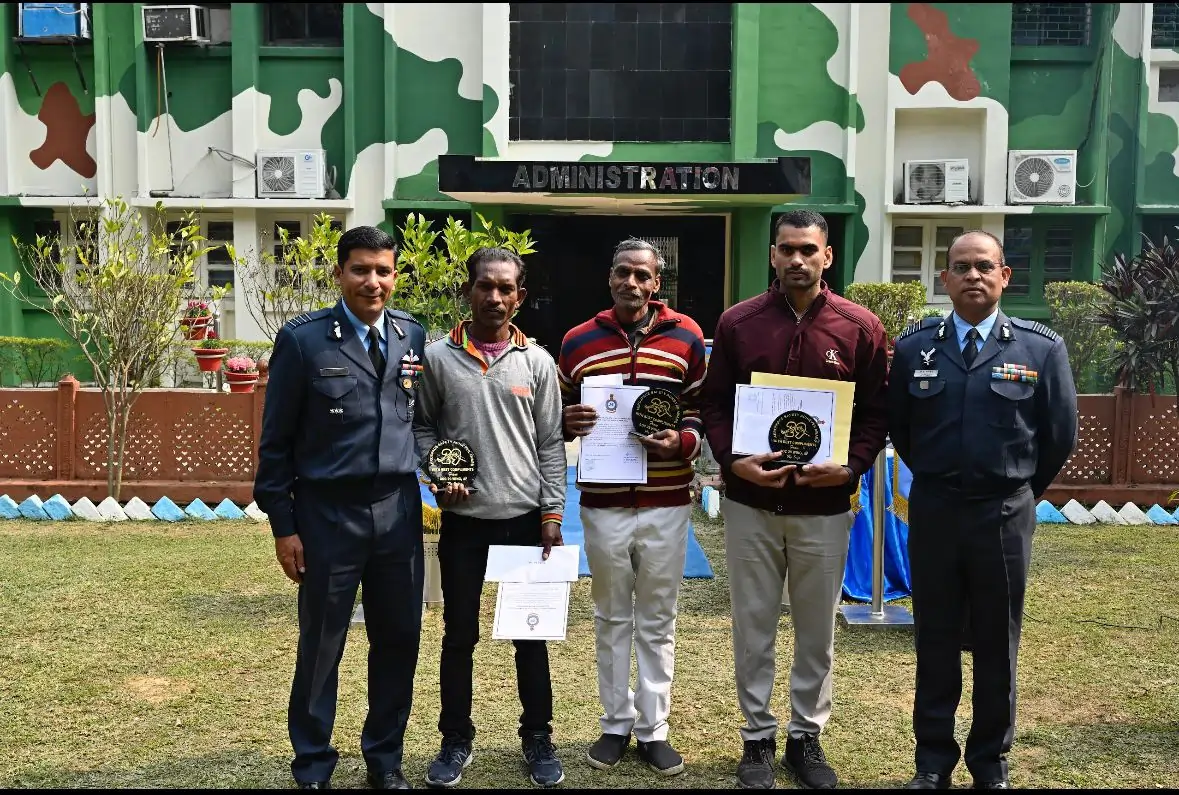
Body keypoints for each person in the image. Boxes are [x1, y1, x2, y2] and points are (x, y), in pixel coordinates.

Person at [699, 209, 890, 790]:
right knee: (752, 624)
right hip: (750, 505)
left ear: (827, 256)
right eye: (787, 249)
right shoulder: (738, 323)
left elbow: (878, 412)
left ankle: (807, 736)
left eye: (809, 249)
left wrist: (850, 467)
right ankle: (757, 739)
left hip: (824, 509)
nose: (797, 260)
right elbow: (714, 405)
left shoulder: (860, 328)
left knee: (816, 630)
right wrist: (733, 459)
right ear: (773, 256)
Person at [889, 230, 1078, 790]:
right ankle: (932, 762)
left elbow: (1058, 436)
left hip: (1003, 514)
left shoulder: (1041, 349)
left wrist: (1019, 491)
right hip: (937, 511)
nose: (973, 276)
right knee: (937, 641)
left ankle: (990, 764)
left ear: (1004, 277)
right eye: (961, 267)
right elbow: (903, 428)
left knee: (998, 642)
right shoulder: (914, 347)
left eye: (984, 266)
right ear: (942, 279)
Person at [254, 225, 427, 790]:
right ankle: (312, 762)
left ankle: (384, 759)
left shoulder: (411, 336)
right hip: (328, 515)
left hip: (398, 512)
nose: (372, 282)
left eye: (383, 271)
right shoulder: (303, 340)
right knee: (323, 641)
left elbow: (414, 418)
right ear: (339, 274)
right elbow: (275, 443)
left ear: (394, 276)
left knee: (399, 638)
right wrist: (285, 527)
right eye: (360, 269)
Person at [412, 247, 568, 790]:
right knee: (459, 637)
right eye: (485, 286)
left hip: (525, 521)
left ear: (519, 297)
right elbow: (422, 427)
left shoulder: (539, 363)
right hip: (465, 522)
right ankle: (455, 739)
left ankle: (538, 737)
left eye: (506, 289)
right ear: (467, 291)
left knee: (531, 638)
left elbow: (551, 443)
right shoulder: (437, 358)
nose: (495, 297)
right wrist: (437, 473)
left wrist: (553, 511)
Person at [557, 238, 709, 777]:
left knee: (658, 617)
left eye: (643, 275)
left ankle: (654, 728)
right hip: (602, 503)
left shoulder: (687, 335)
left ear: (656, 283)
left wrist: (683, 443)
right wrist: (567, 422)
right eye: (623, 272)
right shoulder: (578, 341)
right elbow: (560, 414)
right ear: (610, 277)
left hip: (667, 500)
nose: (632, 283)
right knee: (610, 615)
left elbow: (697, 411)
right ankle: (615, 723)